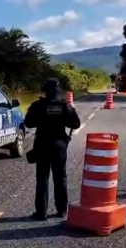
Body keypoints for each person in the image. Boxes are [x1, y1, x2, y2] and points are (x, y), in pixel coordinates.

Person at [24, 78, 81, 221]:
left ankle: (41, 212)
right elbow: (75, 124)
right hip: (59, 145)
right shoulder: (64, 106)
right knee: (60, 178)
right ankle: (62, 210)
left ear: (45, 90)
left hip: (42, 145)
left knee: (42, 179)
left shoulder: (38, 106)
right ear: (58, 90)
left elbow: (28, 123)